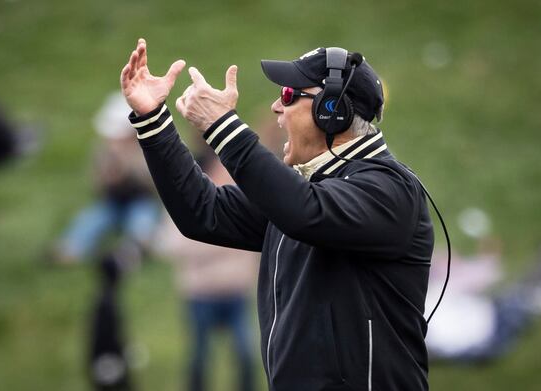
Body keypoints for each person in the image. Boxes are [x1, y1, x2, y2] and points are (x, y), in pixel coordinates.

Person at [120, 39, 434, 391]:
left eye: (288, 95)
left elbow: (306, 212)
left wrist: (223, 127)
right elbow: (203, 211)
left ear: (331, 111)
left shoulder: (389, 189)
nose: (276, 107)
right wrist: (153, 120)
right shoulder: (306, 191)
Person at [154, 152, 258, 391]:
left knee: (246, 354)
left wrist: (212, 240)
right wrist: (229, 242)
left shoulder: (243, 198)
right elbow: (171, 244)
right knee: (199, 356)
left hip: (237, 292)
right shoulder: (187, 201)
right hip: (200, 294)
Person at [51, 92, 160, 264]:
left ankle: (132, 250)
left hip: (141, 200)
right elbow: (97, 184)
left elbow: (154, 184)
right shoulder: (103, 151)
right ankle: (72, 247)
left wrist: (129, 167)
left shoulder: (146, 150)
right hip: (112, 202)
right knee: (92, 218)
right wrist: (109, 175)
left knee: (142, 221)